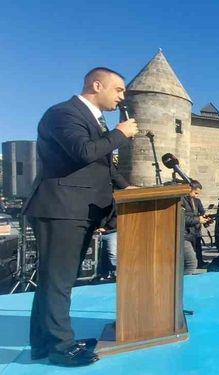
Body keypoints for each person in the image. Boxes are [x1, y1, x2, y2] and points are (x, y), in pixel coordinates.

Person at [22, 67, 138, 366]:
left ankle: (45, 344)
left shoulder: (94, 121)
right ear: (97, 85)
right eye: (119, 90)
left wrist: (130, 188)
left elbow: (103, 166)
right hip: (62, 208)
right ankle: (62, 347)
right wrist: (120, 134)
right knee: (58, 281)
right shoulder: (64, 113)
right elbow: (83, 152)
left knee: (59, 280)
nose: (122, 97)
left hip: (78, 209)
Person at [182, 180, 207, 270]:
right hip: (184, 235)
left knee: (191, 261)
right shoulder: (182, 199)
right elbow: (182, 218)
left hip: (193, 232)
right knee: (191, 263)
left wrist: (204, 218)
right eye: (196, 192)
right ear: (190, 189)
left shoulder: (195, 200)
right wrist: (197, 219)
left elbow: (200, 211)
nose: (197, 195)